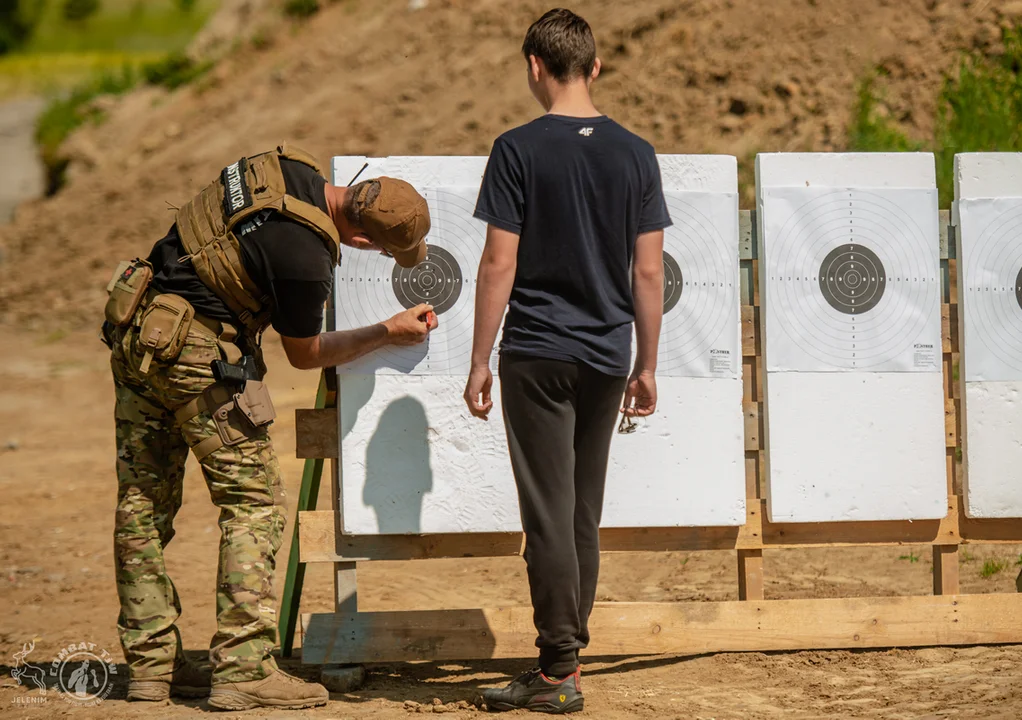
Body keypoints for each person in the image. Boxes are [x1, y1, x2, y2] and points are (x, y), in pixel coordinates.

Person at [104, 144, 438, 710]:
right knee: (254, 505)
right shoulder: (308, 259)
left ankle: (150, 667)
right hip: (197, 355)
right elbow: (305, 355)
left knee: (141, 504)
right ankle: (242, 668)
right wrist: (386, 331)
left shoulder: (287, 168)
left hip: (140, 328)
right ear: (360, 241)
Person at [463, 9, 670, 714]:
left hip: (537, 352)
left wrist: (478, 360)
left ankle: (557, 669)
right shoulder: (636, 153)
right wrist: (646, 363)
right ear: (595, 66)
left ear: (533, 67)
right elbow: (649, 273)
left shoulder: (516, 149)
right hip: (609, 354)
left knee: (548, 514)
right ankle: (566, 650)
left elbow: (498, 263)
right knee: (581, 510)